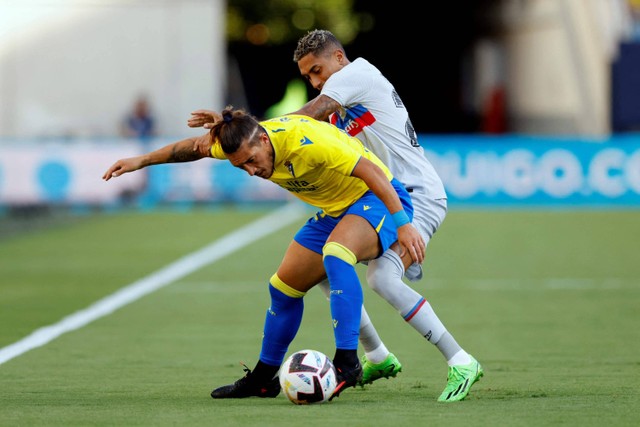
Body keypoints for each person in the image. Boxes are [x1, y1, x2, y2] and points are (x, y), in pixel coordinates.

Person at [188, 29, 483, 402]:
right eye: (308, 77)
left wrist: (246, 127)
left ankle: (460, 360)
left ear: (339, 58)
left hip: (413, 194)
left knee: (383, 281)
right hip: (377, 196)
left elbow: (304, 117)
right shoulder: (341, 102)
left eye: (317, 70)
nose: (314, 82)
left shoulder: (355, 76)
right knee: (326, 269)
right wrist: (236, 131)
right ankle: (377, 356)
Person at [103, 106, 426, 400]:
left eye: (251, 160)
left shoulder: (306, 140)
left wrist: (403, 224)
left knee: (336, 254)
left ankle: (347, 362)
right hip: (336, 209)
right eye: (240, 166)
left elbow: (371, 171)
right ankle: (262, 378)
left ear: (264, 139)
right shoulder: (241, 141)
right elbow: (194, 147)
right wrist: (141, 160)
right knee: (283, 288)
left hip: (378, 197)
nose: (251, 171)